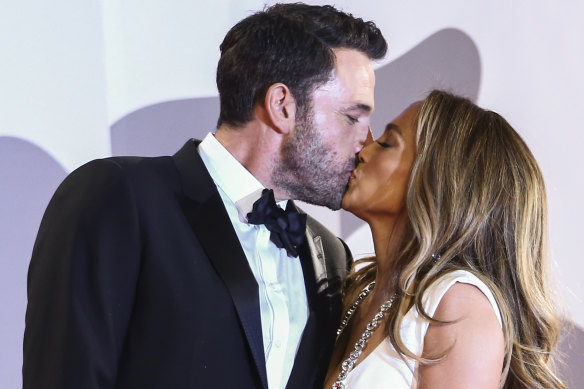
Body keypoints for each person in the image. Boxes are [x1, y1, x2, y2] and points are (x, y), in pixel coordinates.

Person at [23, 4, 387, 389]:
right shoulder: (118, 197)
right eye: (352, 117)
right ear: (282, 106)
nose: (367, 141)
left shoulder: (329, 254)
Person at [324, 90, 566, 388]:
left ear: (435, 182)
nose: (364, 151)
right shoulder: (356, 292)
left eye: (387, 144)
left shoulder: (457, 305)